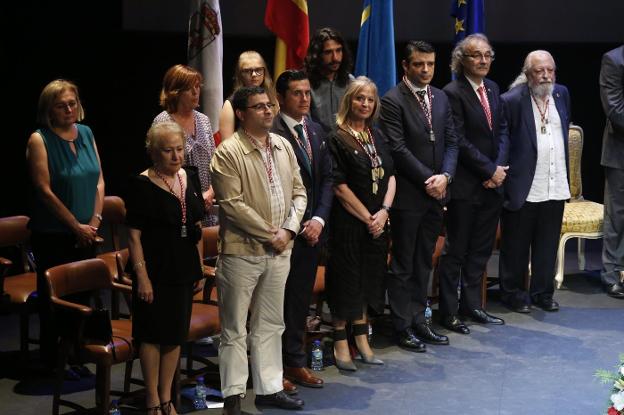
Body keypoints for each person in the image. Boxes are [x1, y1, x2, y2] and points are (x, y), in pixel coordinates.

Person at [210, 86, 307, 414]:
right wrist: (272, 234)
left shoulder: (282, 145)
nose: (268, 111)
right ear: (241, 114)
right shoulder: (227, 152)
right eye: (259, 106)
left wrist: (290, 230)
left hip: (280, 251)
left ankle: (268, 388)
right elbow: (233, 205)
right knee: (234, 328)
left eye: (270, 105)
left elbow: (299, 191)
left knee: (270, 323)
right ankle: (233, 397)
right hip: (242, 252)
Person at [380, 41, 458, 352]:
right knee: (403, 263)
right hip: (409, 197)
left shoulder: (440, 97)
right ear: (405, 66)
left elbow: (452, 141)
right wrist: (430, 179)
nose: (425, 70)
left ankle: (418, 320)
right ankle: (401, 325)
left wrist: (446, 178)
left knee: (424, 260)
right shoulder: (391, 100)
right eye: (418, 64)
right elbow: (397, 148)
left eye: (430, 64)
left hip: (436, 196)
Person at [126, 122, 206, 415]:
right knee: (152, 336)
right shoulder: (142, 185)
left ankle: (167, 397)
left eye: (179, 149)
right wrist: (142, 277)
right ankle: (151, 400)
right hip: (155, 270)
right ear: (153, 153)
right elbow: (133, 236)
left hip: (183, 269)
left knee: (174, 335)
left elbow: (196, 227)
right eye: (168, 151)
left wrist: (198, 267)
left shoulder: (191, 176)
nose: (176, 156)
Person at [26, 79, 105, 375]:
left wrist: (94, 222)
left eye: (72, 103)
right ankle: (52, 361)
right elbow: (44, 190)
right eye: (62, 106)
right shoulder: (39, 139)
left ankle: (76, 352)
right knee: (55, 301)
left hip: (88, 232)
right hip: (55, 234)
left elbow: (99, 180)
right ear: (49, 110)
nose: (69, 109)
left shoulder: (85, 132)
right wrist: (76, 227)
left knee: (82, 296)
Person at [437, 33, 507, 334]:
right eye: (476, 55)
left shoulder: (493, 88)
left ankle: (473, 306)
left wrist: (499, 170)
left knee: (480, 250)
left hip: (493, 185)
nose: (482, 60)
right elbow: (459, 141)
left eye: (487, 54)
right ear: (461, 60)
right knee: (457, 251)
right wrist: (489, 170)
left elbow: (503, 129)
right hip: (467, 186)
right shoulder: (452, 92)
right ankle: (449, 312)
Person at [327, 76, 395, 371]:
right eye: (359, 98)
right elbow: (339, 188)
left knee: (368, 282)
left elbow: (391, 175)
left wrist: (384, 212)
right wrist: (368, 217)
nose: (365, 104)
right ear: (349, 101)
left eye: (370, 99)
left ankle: (362, 340)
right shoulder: (337, 138)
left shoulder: (377, 135)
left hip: (378, 224)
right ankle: (341, 342)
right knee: (347, 283)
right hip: (349, 225)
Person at [271, 70, 333, 388]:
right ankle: (274, 369)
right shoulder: (271, 132)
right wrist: (295, 224)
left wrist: (319, 219)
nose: (305, 98)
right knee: (276, 304)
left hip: (312, 233)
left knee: (298, 302)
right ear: (280, 98)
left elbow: (328, 180)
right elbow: (272, 188)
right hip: (283, 233)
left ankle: (295, 363)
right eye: (297, 93)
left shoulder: (316, 130)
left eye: (307, 92)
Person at [498, 50, 571, 313]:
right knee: (516, 245)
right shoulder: (512, 100)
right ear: (527, 73)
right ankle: (514, 294)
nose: (545, 75)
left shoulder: (561, 94)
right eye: (539, 71)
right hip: (524, 185)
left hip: (555, 183)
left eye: (550, 70)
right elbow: (504, 143)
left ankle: (542, 293)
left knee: (547, 244)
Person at [153, 64, 217, 226]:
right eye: (190, 88)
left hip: (208, 205)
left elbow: (216, 163)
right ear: (176, 91)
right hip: (179, 208)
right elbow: (162, 172)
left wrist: (210, 191)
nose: (196, 93)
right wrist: (194, 199)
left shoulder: (203, 120)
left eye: (197, 87)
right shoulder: (163, 122)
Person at [599, 44, 624, 299]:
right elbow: (615, 110)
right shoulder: (614, 60)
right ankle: (611, 274)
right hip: (621, 152)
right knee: (617, 217)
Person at [219, 51, 278, 141]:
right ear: (240, 74)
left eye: (258, 70)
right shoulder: (230, 104)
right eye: (247, 71)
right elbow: (226, 148)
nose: (254, 75)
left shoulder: (273, 99)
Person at [304, 27, 354, 133]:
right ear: (316, 55)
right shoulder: (304, 83)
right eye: (328, 52)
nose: (335, 58)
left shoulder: (350, 82)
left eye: (338, 50)